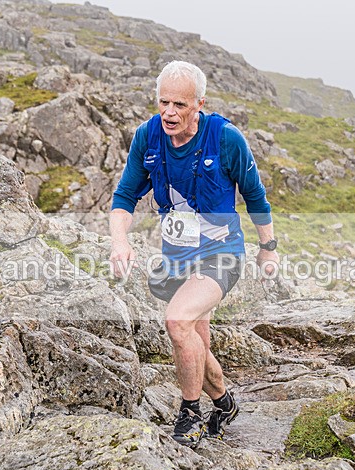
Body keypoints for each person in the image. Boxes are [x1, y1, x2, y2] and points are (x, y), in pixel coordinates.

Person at [109, 60, 278, 448]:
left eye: (179, 105)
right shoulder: (148, 137)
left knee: (177, 321)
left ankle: (190, 414)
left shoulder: (226, 139)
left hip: (222, 253)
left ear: (199, 104)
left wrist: (268, 249)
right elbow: (124, 196)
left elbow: (255, 196)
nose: (169, 113)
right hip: (178, 258)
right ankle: (224, 403)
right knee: (194, 340)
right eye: (163, 102)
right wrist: (120, 241)